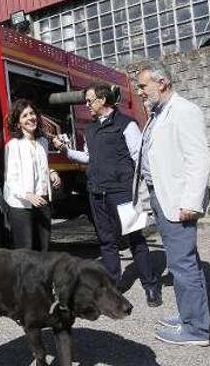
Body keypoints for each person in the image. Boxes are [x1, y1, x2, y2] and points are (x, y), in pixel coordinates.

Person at [53, 83, 162, 307]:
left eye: (90, 100)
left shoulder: (126, 124)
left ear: (103, 101)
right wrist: (66, 151)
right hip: (97, 193)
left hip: (123, 193)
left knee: (136, 239)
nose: (87, 105)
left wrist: (145, 189)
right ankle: (114, 285)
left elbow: (139, 157)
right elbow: (87, 157)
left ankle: (150, 286)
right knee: (107, 241)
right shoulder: (91, 129)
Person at [133, 60, 210, 346]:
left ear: (162, 83)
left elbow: (199, 159)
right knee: (181, 263)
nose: (140, 91)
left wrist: (191, 201)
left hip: (178, 201)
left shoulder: (184, 111)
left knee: (182, 265)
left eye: (143, 86)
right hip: (162, 196)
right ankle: (190, 316)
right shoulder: (159, 113)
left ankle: (197, 330)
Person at [3, 99, 61, 251]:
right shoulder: (14, 146)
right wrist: (27, 195)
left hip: (42, 201)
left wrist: (53, 173)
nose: (30, 118)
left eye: (32, 113)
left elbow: (42, 167)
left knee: (43, 249)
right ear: (18, 123)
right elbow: (10, 179)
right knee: (25, 252)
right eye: (24, 116)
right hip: (22, 206)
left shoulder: (42, 142)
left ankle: (42, 276)